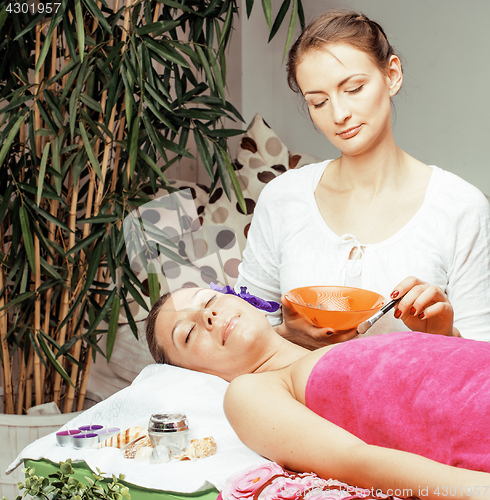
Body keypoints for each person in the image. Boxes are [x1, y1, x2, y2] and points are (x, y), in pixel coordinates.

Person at [235, 10, 490, 349]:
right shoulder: (283, 198)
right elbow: (245, 331)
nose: (339, 114)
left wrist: (445, 336)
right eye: (318, 102)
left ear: (392, 75)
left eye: (353, 88)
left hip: (407, 400)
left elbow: (481, 365)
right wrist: (288, 333)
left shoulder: (460, 207)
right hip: (290, 396)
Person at [145, 286, 490, 500]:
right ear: (191, 375)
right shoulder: (251, 391)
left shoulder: (345, 346)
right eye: (188, 333)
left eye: (209, 299)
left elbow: (423, 390)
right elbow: (358, 461)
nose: (209, 314)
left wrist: (441, 336)